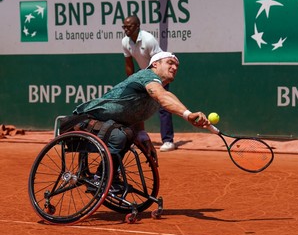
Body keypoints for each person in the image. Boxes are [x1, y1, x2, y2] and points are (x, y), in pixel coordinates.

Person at [73, 52, 210, 190]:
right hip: (84, 121)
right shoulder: (147, 76)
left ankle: (109, 177)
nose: (174, 67)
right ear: (155, 64)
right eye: (170, 63)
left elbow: (135, 113)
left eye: (176, 65)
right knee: (121, 135)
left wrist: (143, 136)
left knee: (128, 134)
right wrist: (188, 114)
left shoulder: (155, 89)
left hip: (107, 125)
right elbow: (163, 96)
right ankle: (101, 179)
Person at [121, 15, 176, 152]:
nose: (126, 29)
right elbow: (129, 63)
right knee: (135, 103)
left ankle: (168, 141)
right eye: (124, 27)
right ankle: (137, 137)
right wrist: (131, 81)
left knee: (163, 105)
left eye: (129, 26)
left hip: (158, 71)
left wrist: (156, 80)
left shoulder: (148, 40)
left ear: (137, 26)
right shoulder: (125, 41)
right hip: (143, 71)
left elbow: (159, 62)